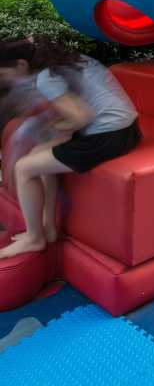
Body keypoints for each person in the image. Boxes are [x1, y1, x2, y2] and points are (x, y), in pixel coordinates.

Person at [0, 37, 141, 259]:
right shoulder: (67, 60)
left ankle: (34, 239)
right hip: (129, 128)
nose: (4, 81)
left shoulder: (46, 77)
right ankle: (48, 227)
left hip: (107, 136)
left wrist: (53, 126)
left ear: (21, 64)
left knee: (23, 169)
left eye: (2, 75)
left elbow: (81, 117)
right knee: (37, 154)